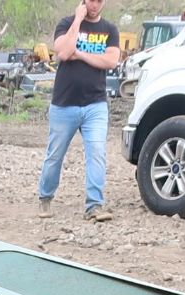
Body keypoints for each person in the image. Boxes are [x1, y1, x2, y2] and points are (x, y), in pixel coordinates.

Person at [37, 0, 121, 222]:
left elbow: (111, 60)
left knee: (97, 153)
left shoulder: (109, 30)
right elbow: (63, 53)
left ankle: (94, 206)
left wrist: (81, 54)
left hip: (95, 104)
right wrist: (77, 20)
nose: (95, 5)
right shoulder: (66, 23)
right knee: (55, 155)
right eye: (91, 0)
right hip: (64, 104)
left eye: (99, 1)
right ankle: (45, 196)